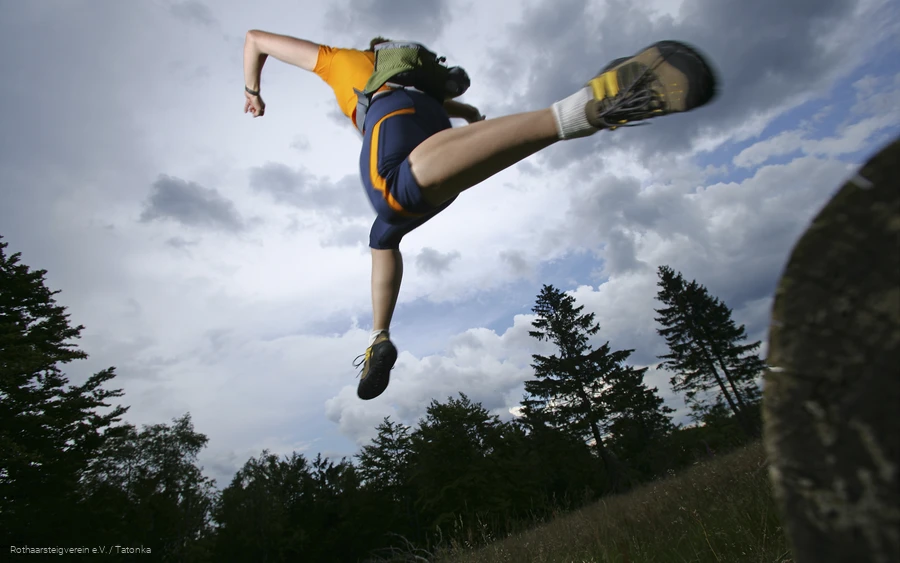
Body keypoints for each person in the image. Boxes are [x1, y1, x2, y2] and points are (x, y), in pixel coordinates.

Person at [242, 31, 717, 401]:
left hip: (394, 124)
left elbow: (255, 39)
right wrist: (471, 121)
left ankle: (581, 111)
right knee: (383, 236)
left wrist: (253, 91)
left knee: (390, 197)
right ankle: (378, 338)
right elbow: (466, 109)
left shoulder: (338, 60)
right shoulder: (424, 84)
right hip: (436, 143)